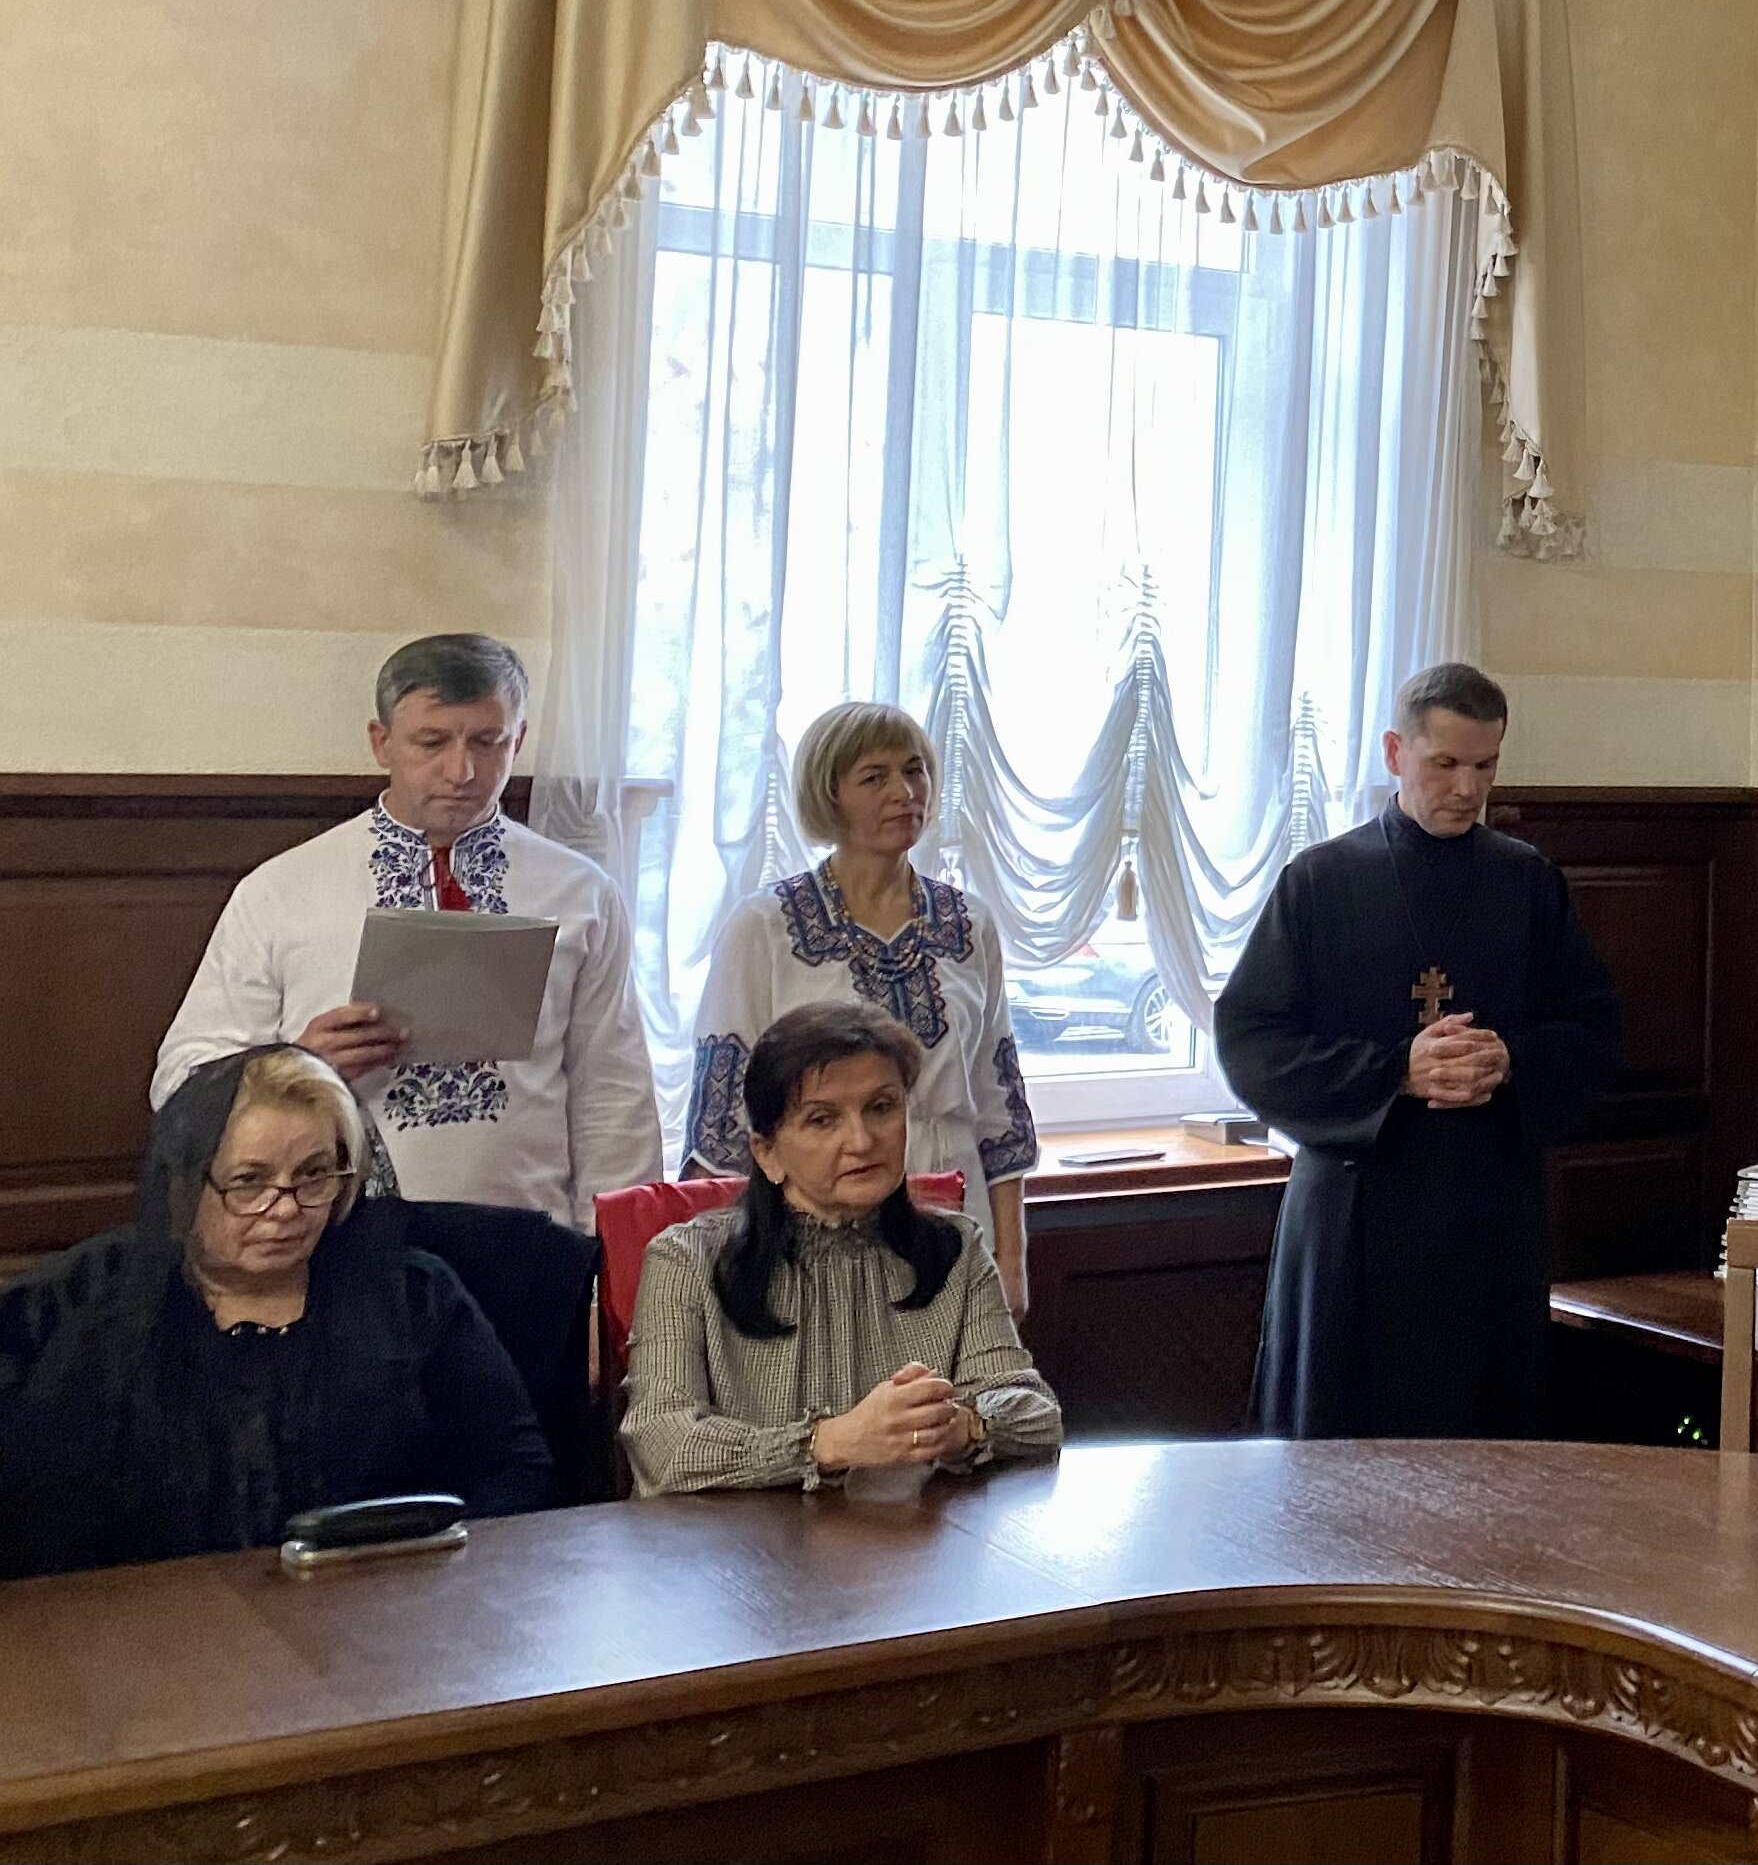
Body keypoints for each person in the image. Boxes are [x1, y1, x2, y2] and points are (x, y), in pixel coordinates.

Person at [1218, 662, 1621, 1439]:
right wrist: (1394, 1071)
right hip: (1354, 1221)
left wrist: (1510, 1060)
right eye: (1446, 764)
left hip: (1488, 1217)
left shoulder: (1528, 881)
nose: (1467, 789)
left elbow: (1593, 1029)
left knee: (1486, 1447)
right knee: (1342, 1459)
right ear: (1395, 752)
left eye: (1485, 766)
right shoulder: (1321, 882)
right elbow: (1251, 1040)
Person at [152, 633, 661, 1228]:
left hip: (526, 1231)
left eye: (487, 742)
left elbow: (612, 1089)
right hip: (330, 1234)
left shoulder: (582, 893)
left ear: (518, 740)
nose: (461, 771)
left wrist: (612, 1246)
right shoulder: (280, 891)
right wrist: (295, 1066)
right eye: (432, 742)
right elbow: (181, 1077)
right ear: (381, 742)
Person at [0, 1044, 553, 1575]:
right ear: (186, 1183)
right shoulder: (75, 1304)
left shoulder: (413, 1296)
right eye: (250, 1181)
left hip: (379, 1605)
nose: (286, 1209)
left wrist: (430, 1576)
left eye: (314, 1175)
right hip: (136, 1620)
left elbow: (514, 1466)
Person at [622, 1001, 1060, 1495]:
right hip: (738, 1541)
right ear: (767, 1154)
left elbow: (1036, 1413)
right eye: (822, 1119)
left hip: (907, 1538)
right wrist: (827, 1444)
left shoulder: (957, 1248)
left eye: (881, 1108)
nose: (862, 1141)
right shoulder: (685, 1260)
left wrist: (962, 1427)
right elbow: (660, 1443)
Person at [684, 703, 1038, 1312]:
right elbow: (721, 1126)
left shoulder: (969, 924)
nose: (905, 792)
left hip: (956, 1220)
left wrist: (1012, 1261)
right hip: (813, 1229)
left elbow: (999, 1107)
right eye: (875, 777)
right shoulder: (764, 927)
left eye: (915, 770)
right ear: (830, 796)